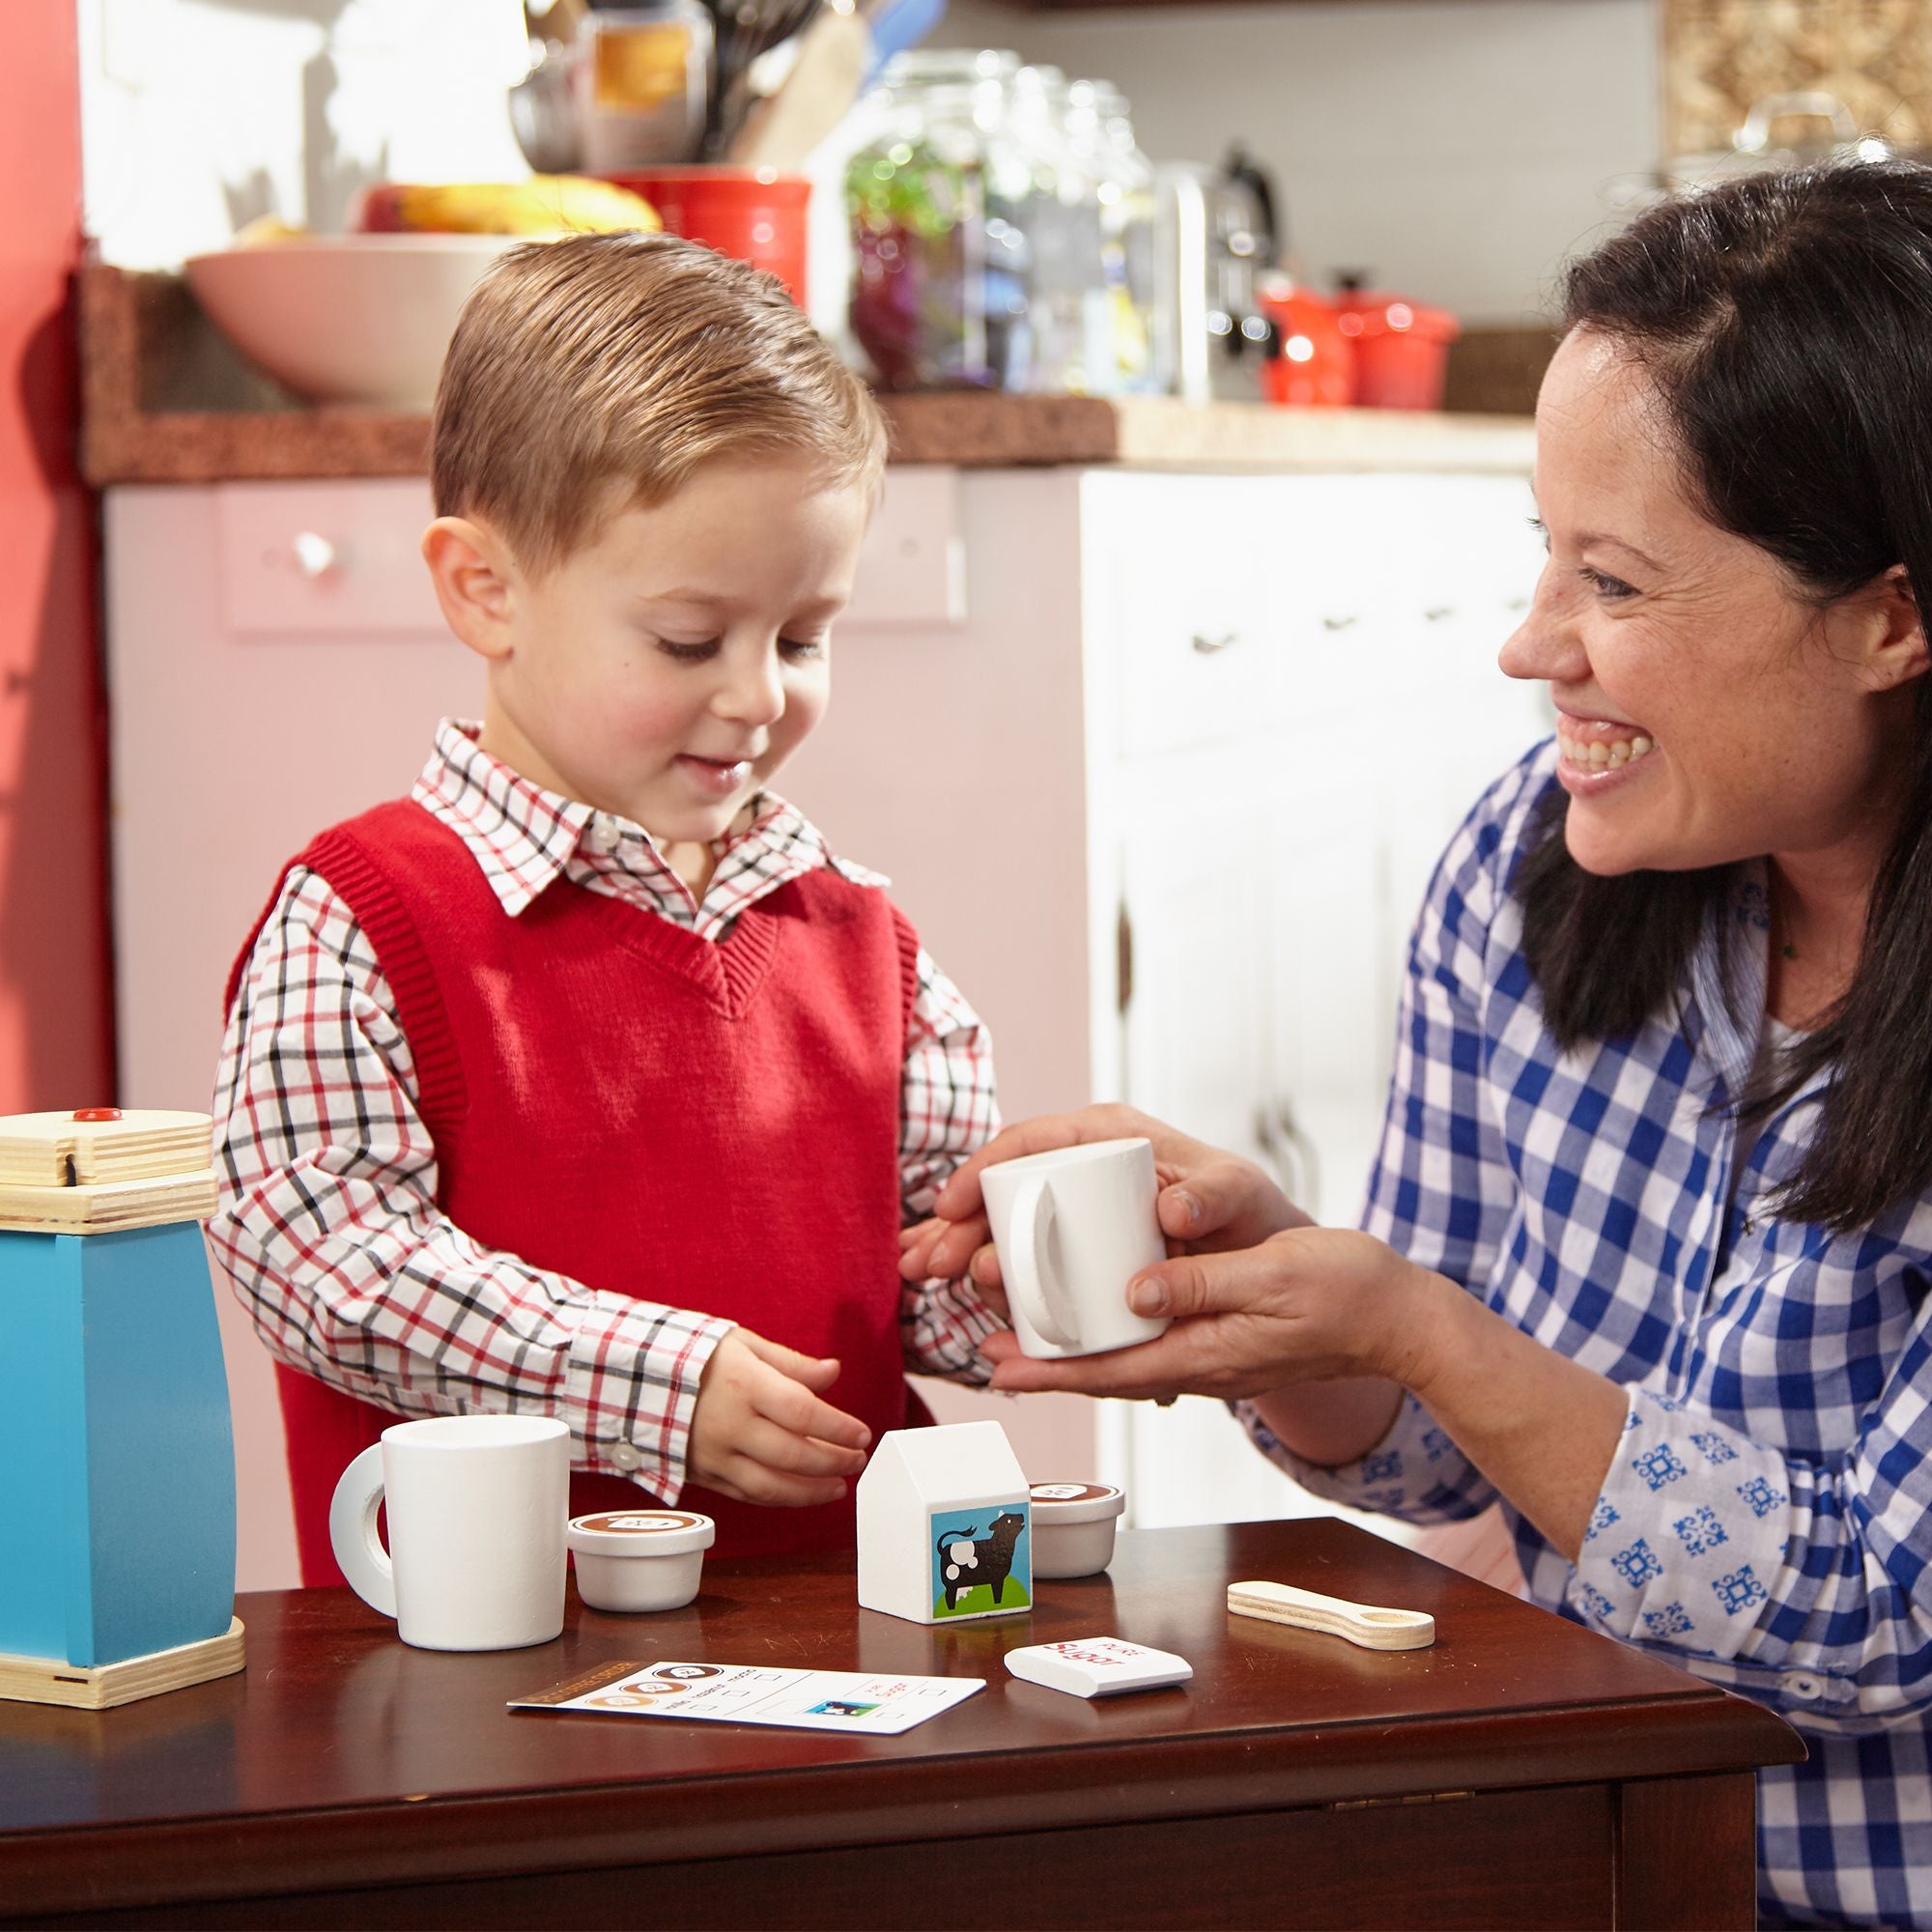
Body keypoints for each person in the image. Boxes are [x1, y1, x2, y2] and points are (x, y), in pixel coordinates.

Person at [905, 160, 1932, 1929]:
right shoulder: (1527, 866)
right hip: (1580, 1844)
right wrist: (1291, 1304)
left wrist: (1423, 1326)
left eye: (1614, 580)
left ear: (1891, 621)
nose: (1534, 645)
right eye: (1542, 553)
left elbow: (1882, 1615)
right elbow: (1439, 1451)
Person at [212, 232, 1004, 1586]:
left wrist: (1051, 1278)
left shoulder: (864, 937)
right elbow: (319, 1256)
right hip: (492, 1659)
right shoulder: (360, 917)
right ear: (486, 589)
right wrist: (657, 1385)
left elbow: (927, 1269)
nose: (759, 695)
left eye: (804, 637)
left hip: (848, 1626)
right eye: (691, 641)